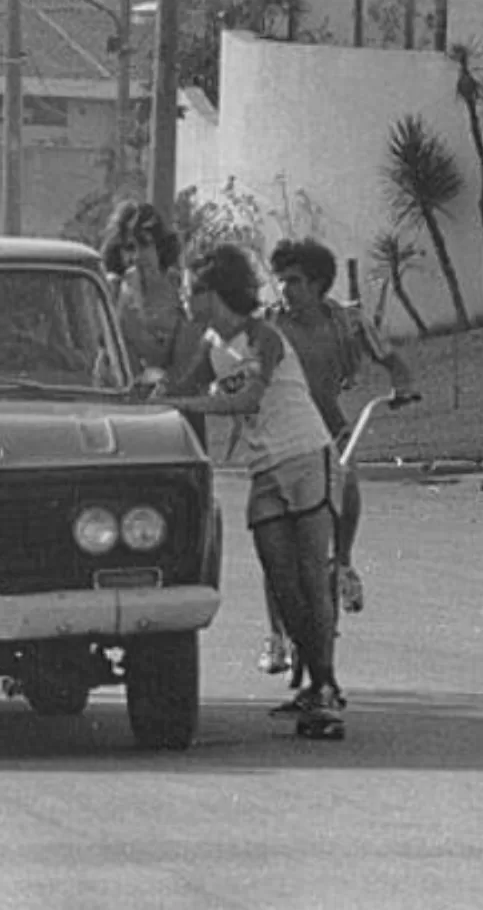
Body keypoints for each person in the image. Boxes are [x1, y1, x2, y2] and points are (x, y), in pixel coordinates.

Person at [161, 244, 347, 732]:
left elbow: (248, 396)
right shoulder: (210, 344)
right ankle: (315, 686)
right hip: (264, 469)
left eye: (189, 289)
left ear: (212, 293)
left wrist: (186, 402)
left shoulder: (263, 335)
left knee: (311, 576)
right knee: (282, 583)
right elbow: (178, 389)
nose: (184, 297)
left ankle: (324, 687)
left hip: (307, 456)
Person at [267, 239, 415, 655]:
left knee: (345, 477)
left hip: (327, 420)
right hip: (282, 429)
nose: (285, 290)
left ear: (318, 285)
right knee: (276, 528)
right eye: (280, 282)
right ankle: (275, 636)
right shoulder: (270, 323)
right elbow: (234, 362)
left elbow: (392, 359)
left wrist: (403, 385)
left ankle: (344, 563)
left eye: (294, 281)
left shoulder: (347, 323)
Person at [102, 201, 212, 449]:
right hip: (124, 412)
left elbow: (188, 366)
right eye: (129, 247)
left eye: (145, 245)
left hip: (176, 414)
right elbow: (106, 355)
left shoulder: (180, 291)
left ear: (160, 247)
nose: (137, 256)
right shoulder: (114, 290)